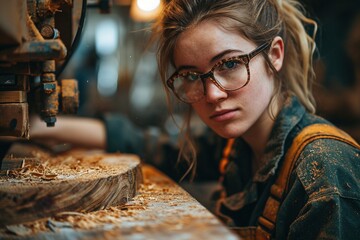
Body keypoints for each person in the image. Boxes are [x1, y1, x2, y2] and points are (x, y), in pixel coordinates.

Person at [28, 0, 360, 239]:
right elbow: (152, 147)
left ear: (274, 55)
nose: (212, 94)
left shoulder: (323, 173)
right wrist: (34, 126)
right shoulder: (236, 146)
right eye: (191, 74)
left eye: (229, 64)